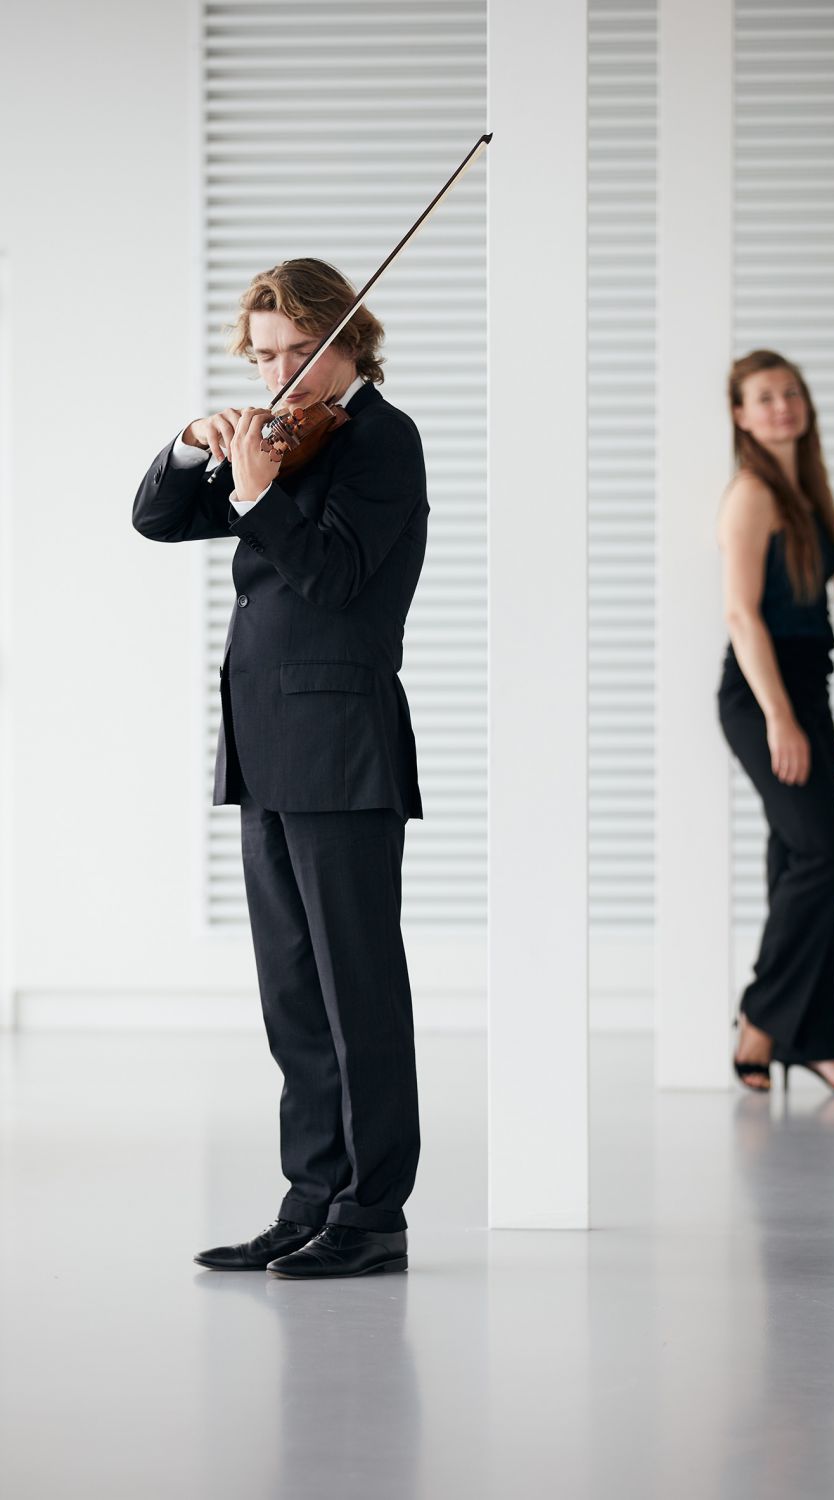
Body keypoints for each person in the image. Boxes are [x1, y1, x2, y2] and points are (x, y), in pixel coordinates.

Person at [133, 257, 428, 1274]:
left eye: (301, 351)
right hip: (262, 741)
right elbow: (159, 517)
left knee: (358, 988)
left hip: (341, 745)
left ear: (352, 338)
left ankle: (370, 1216)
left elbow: (338, 577)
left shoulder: (381, 442)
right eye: (264, 357)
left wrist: (258, 492)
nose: (282, 376)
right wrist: (192, 444)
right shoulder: (278, 441)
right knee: (292, 992)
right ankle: (311, 1193)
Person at [716, 349, 834, 1097]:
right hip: (760, 696)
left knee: (798, 858)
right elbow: (743, 616)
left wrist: (822, 721)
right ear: (741, 416)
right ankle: (761, 1020)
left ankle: (812, 1041)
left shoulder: (805, 494)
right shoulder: (752, 493)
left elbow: (811, 626)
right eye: (764, 396)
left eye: (791, 393)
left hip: (805, 694)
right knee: (823, 856)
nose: (782, 405)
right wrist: (782, 717)